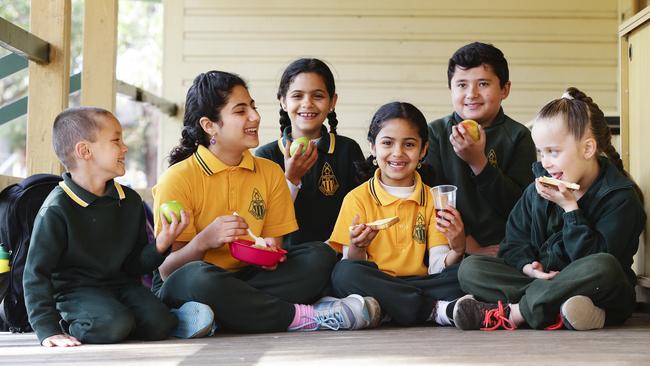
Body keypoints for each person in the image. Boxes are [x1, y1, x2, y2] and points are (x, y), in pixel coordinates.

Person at [152, 70, 380, 333]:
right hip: (194, 281)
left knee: (321, 256)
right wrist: (205, 240)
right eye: (240, 111)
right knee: (198, 278)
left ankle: (218, 315)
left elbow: (272, 253)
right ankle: (304, 317)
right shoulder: (179, 178)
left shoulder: (269, 171)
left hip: (248, 277)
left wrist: (269, 254)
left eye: (253, 107)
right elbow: (169, 271)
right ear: (209, 125)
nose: (255, 117)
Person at [453, 87, 646, 331]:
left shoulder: (620, 197)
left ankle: (517, 312)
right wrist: (527, 267)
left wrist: (570, 210)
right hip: (546, 281)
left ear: (587, 149)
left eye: (553, 152)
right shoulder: (539, 187)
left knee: (605, 268)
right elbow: (513, 242)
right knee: (470, 268)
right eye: (541, 152)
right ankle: (562, 308)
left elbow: (597, 260)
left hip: (596, 286)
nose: (545, 162)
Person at [23, 107, 206, 347]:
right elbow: (36, 273)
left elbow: (135, 265)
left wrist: (161, 244)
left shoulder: (128, 201)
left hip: (122, 286)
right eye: (116, 140)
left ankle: (126, 319)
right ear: (84, 151)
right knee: (113, 325)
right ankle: (71, 323)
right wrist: (46, 329)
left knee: (160, 324)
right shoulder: (57, 209)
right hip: (76, 291)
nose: (125, 147)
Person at [329, 102, 466, 327]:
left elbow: (437, 267)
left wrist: (459, 248)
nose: (398, 153)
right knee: (343, 274)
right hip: (376, 281)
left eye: (409, 144)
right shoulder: (357, 198)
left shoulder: (433, 199)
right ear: (372, 147)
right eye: (387, 143)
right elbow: (352, 262)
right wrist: (357, 246)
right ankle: (434, 310)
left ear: (423, 150)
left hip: (421, 282)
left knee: (465, 273)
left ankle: (389, 308)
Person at [424, 42, 536, 255]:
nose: (472, 94)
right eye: (462, 85)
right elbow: (433, 199)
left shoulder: (518, 136)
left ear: (505, 89)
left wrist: (479, 163)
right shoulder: (436, 133)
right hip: (449, 249)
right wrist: (470, 246)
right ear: (450, 89)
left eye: (483, 84)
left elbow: (522, 207)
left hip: (505, 248)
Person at [255, 58, 365, 249]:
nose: (307, 104)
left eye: (318, 96)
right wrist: (291, 179)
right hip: (286, 259)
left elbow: (362, 211)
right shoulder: (266, 155)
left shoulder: (347, 150)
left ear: (333, 101)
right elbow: (262, 223)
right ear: (282, 101)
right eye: (297, 96)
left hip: (337, 256)